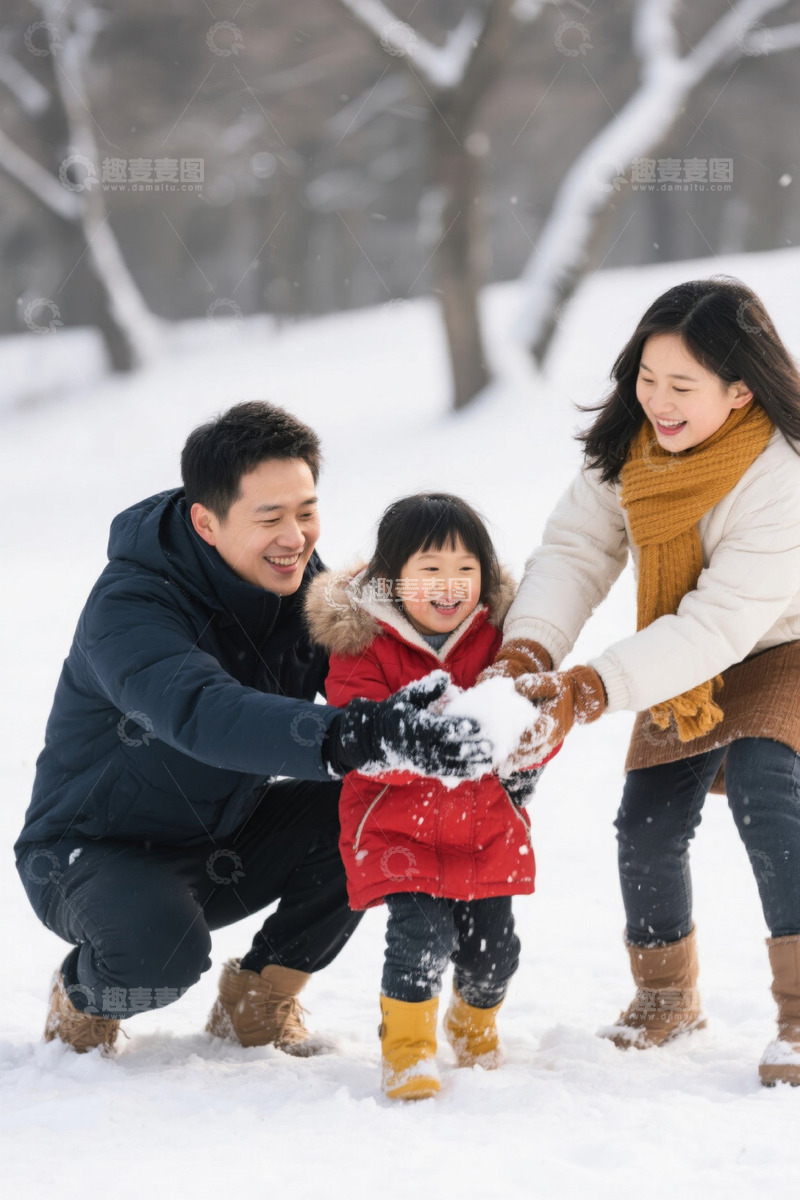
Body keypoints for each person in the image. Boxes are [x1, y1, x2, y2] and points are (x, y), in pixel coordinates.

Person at [15, 403, 494, 1056]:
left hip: (226, 838)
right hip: (94, 856)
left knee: (376, 806)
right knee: (158, 956)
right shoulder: (129, 607)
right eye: (270, 519)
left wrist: (482, 696)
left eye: (306, 511)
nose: (295, 537)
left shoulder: (300, 584)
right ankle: (83, 995)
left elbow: (376, 666)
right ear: (206, 522)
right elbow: (204, 711)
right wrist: (360, 735)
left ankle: (259, 998)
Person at [485, 277, 800, 1086]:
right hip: (678, 645)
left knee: (768, 795)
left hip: (782, 641)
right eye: (647, 377)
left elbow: (718, 625)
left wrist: (588, 691)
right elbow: (577, 552)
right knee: (648, 823)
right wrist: (527, 654)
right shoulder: (631, 447)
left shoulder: (782, 474)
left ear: (739, 390)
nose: (657, 400)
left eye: (681, 386)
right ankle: (666, 998)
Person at [305, 493, 559, 1099]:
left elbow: (534, 714)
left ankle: (472, 1025)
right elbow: (357, 735)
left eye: (465, 569)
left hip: (485, 829)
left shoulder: (501, 639)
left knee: (493, 953)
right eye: (431, 569)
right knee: (420, 940)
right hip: (399, 831)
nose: (450, 586)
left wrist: (530, 753)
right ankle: (408, 1052)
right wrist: (410, 742)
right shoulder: (362, 645)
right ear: (392, 579)